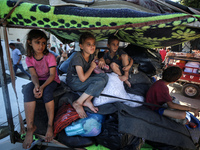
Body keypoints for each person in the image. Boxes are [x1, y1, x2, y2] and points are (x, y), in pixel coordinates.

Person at [22, 29, 60, 149]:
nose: (41, 46)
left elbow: (52, 75)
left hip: (52, 80)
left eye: (43, 43)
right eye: (37, 42)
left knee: (47, 93)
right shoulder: (29, 58)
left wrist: (42, 87)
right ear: (29, 42)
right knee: (28, 90)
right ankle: (30, 127)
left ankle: (49, 125)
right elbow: (33, 75)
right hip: (39, 81)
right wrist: (37, 86)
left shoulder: (50, 56)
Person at [66, 32, 108, 118]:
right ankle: (78, 102)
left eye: (93, 44)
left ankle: (87, 100)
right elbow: (82, 79)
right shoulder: (78, 57)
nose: (92, 47)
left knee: (105, 77)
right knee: (99, 81)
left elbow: (95, 60)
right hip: (74, 81)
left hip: (82, 79)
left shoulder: (91, 55)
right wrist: (92, 68)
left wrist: (101, 60)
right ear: (81, 46)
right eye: (88, 44)